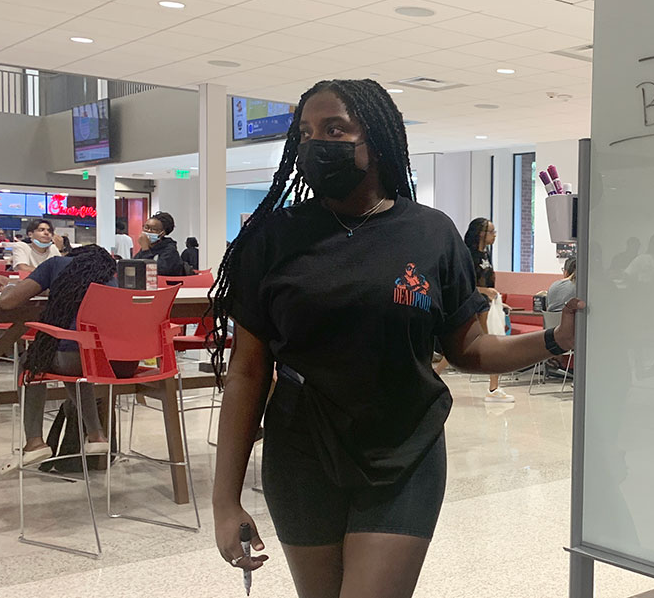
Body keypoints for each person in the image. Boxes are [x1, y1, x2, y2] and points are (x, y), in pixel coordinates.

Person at [207, 79, 582, 598]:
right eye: (307, 132)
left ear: (376, 140)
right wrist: (225, 500)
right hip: (301, 454)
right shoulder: (273, 238)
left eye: (335, 129)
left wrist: (555, 338)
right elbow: (248, 373)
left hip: (405, 450)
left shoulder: (429, 234)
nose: (317, 143)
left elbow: (470, 349)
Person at [0, 246, 119, 472]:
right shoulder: (109, 278)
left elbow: (8, 302)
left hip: (67, 355)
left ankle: (34, 442)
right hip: (101, 361)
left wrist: (9, 286)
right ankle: (96, 434)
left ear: (71, 258)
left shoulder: (56, 265)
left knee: (32, 362)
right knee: (76, 368)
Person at [464, 217, 513, 403]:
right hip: (474, 304)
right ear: (481, 234)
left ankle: (494, 388)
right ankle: (493, 388)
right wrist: (484, 291)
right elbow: (466, 284)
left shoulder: (486, 255)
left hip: (487, 304)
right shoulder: (468, 255)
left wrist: (497, 299)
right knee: (488, 344)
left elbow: (488, 281)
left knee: (490, 343)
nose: (494, 235)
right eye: (491, 232)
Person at [135, 211, 188, 276]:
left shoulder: (170, 251)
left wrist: (145, 249)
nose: (148, 231)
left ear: (162, 233)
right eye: (146, 227)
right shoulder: (147, 249)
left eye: (153, 229)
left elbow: (157, 272)